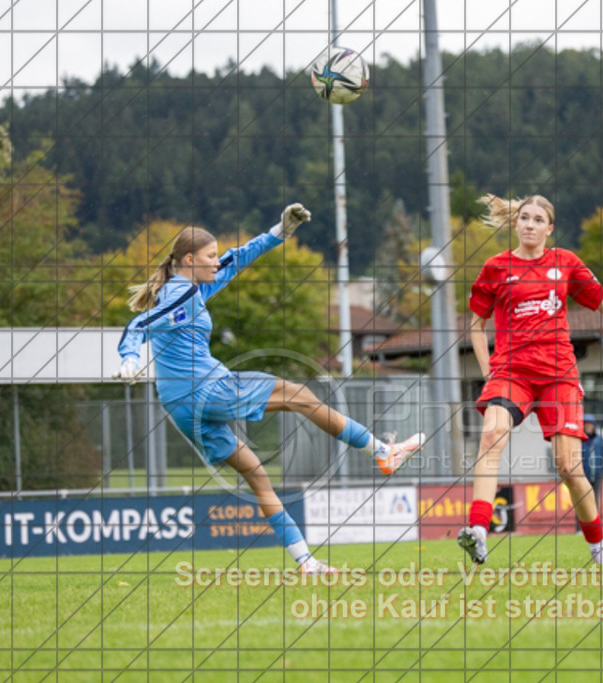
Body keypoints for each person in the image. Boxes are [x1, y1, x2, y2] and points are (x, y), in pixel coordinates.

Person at [116, 205, 425, 575]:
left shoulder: (193, 287)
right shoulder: (179, 294)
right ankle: (383, 452)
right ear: (189, 260)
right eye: (210, 256)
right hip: (205, 390)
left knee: (257, 475)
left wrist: (279, 232)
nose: (216, 261)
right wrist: (129, 357)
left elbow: (236, 259)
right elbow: (138, 324)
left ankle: (306, 562)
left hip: (181, 407)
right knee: (299, 395)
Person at [456, 194, 603, 566]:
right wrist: (489, 370)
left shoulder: (565, 262)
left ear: (549, 229)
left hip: (559, 376)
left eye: (538, 220)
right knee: (491, 436)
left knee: (569, 468)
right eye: (524, 217)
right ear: (516, 223)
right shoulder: (496, 267)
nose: (529, 224)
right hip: (511, 373)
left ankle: (597, 546)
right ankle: (478, 531)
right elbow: (476, 324)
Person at [581, 414, 603, 513]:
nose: (588, 427)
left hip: (597, 476)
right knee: (581, 501)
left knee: (595, 500)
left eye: (590, 424)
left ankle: (594, 522)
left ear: (594, 426)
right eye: (586, 424)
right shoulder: (579, 440)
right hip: (583, 476)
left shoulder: (599, 440)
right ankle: (580, 523)